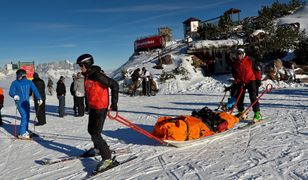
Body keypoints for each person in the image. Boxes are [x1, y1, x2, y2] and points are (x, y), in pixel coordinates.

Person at [76, 53, 119, 172]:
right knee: (91, 130)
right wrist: (87, 105)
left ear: (87, 64)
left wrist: (114, 103)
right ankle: (97, 149)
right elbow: (89, 91)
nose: (80, 68)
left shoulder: (97, 75)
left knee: (96, 133)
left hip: (101, 107)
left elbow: (114, 85)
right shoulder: (87, 75)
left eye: (81, 65)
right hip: (93, 107)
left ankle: (107, 159)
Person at [9, 69, 43, 138]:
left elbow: (35, 90)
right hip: (19, 103)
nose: (17, 76)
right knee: (24, 116)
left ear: (22, 75)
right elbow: (10, 92)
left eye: (18, 75)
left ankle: (25, 130)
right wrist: (14, 95)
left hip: (26, 102)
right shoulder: (15, 83)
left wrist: (39, 98)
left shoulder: (29, 82)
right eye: (16, 75)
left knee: (27, 116)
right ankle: (22, 133)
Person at [230, 48, 262, 121]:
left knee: (253, 97)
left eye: (240, 54)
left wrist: (258, 80)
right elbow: (235, 74)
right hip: (241, 82)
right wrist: (238, 81)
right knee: (239, 98)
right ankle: (242, 112)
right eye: (237, 54)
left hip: (251, 80)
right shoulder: (235, 64)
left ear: (243, 54)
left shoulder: (250, 61)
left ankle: (257, 114)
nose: (238, 56)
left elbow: (257, 70)